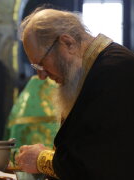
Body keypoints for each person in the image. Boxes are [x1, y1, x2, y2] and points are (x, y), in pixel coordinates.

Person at [15, 7, 134, 180]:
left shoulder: (116, 70)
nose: (41, 76)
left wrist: (41, 159)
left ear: (67, 43)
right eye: (36, 68)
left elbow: (101, 163)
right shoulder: (87, 72)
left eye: (41, 64)